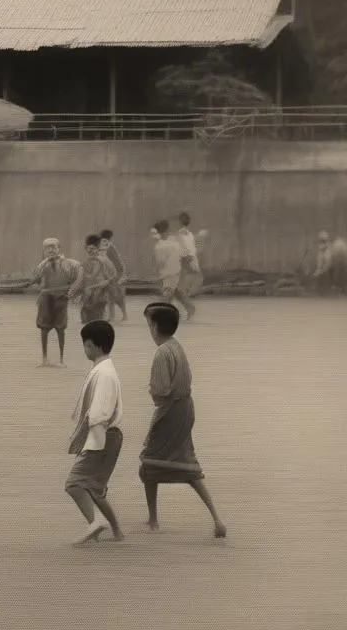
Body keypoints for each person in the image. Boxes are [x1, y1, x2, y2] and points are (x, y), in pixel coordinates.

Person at [140, 302, 227, 538]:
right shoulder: (177, 346)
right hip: (186, 408)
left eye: (149, 325)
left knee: (149, 463)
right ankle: (217, 519)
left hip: (170, 411)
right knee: (187, 464)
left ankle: (153, 519)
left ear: (156, 327)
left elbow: (160, 392)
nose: (149, 330)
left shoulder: (161, 353)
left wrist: (152, 393)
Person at [64, 320, 125, 545]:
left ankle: (96, 521)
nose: (85, 349)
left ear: (93, 346)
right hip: (111, 435)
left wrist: (93, 445)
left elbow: (98, 414)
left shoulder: (103, 374)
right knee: (95, 488)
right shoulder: (106, 369)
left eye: (86, 344)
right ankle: (117, 532)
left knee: (74, 483)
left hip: (102, 435)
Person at [31, 238, 81, 367]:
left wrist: (72, 291)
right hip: (45, 299)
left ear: (59, 248)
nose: (51, 250)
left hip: (61, 298)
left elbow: (78, 278)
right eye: (47, 248)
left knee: (60, 328)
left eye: (53, 247)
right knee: (43, 328)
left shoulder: (69, 264)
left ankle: (61, 359)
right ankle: (44, 359)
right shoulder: (42, 265)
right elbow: (35, 279)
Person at [152, 220, 196, 319]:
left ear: (159, 232)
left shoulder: (160, 245)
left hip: (169, 273)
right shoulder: (174, 241)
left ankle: (167, 315)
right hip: (174, 271)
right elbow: (186, 255)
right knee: (176, 293)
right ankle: (190, 308)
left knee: (167, 295)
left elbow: (160, 262)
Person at [68, 234, 116, 324]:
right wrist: (73, 291)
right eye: (88, 248)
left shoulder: (104, 262)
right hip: (87, 295)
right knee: (86, 319)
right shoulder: (84, 264)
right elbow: (80, 278)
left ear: (98, 249)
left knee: (99, 318)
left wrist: (106, 282)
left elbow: (112, 275)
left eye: (93, 248)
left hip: (100, 295)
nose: (91, 251)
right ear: (86, 248)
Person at [98, 229, 128, 322]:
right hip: (112, 274)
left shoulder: (109, 248)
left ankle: (113, 316)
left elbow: (116, 262)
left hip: (113, 274)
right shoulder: (109, 247)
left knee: (113, 296)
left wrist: (118, 276)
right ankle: (117, 315)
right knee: (114, 296)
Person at [175, 212, 205, 299]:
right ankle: (185, 293)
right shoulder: (187, 233)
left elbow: (186, 246)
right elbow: (185, 246)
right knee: (195, 277)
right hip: (188, 257)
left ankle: (185, 293)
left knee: (189, 276)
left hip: (189, 257)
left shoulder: (185, 233)